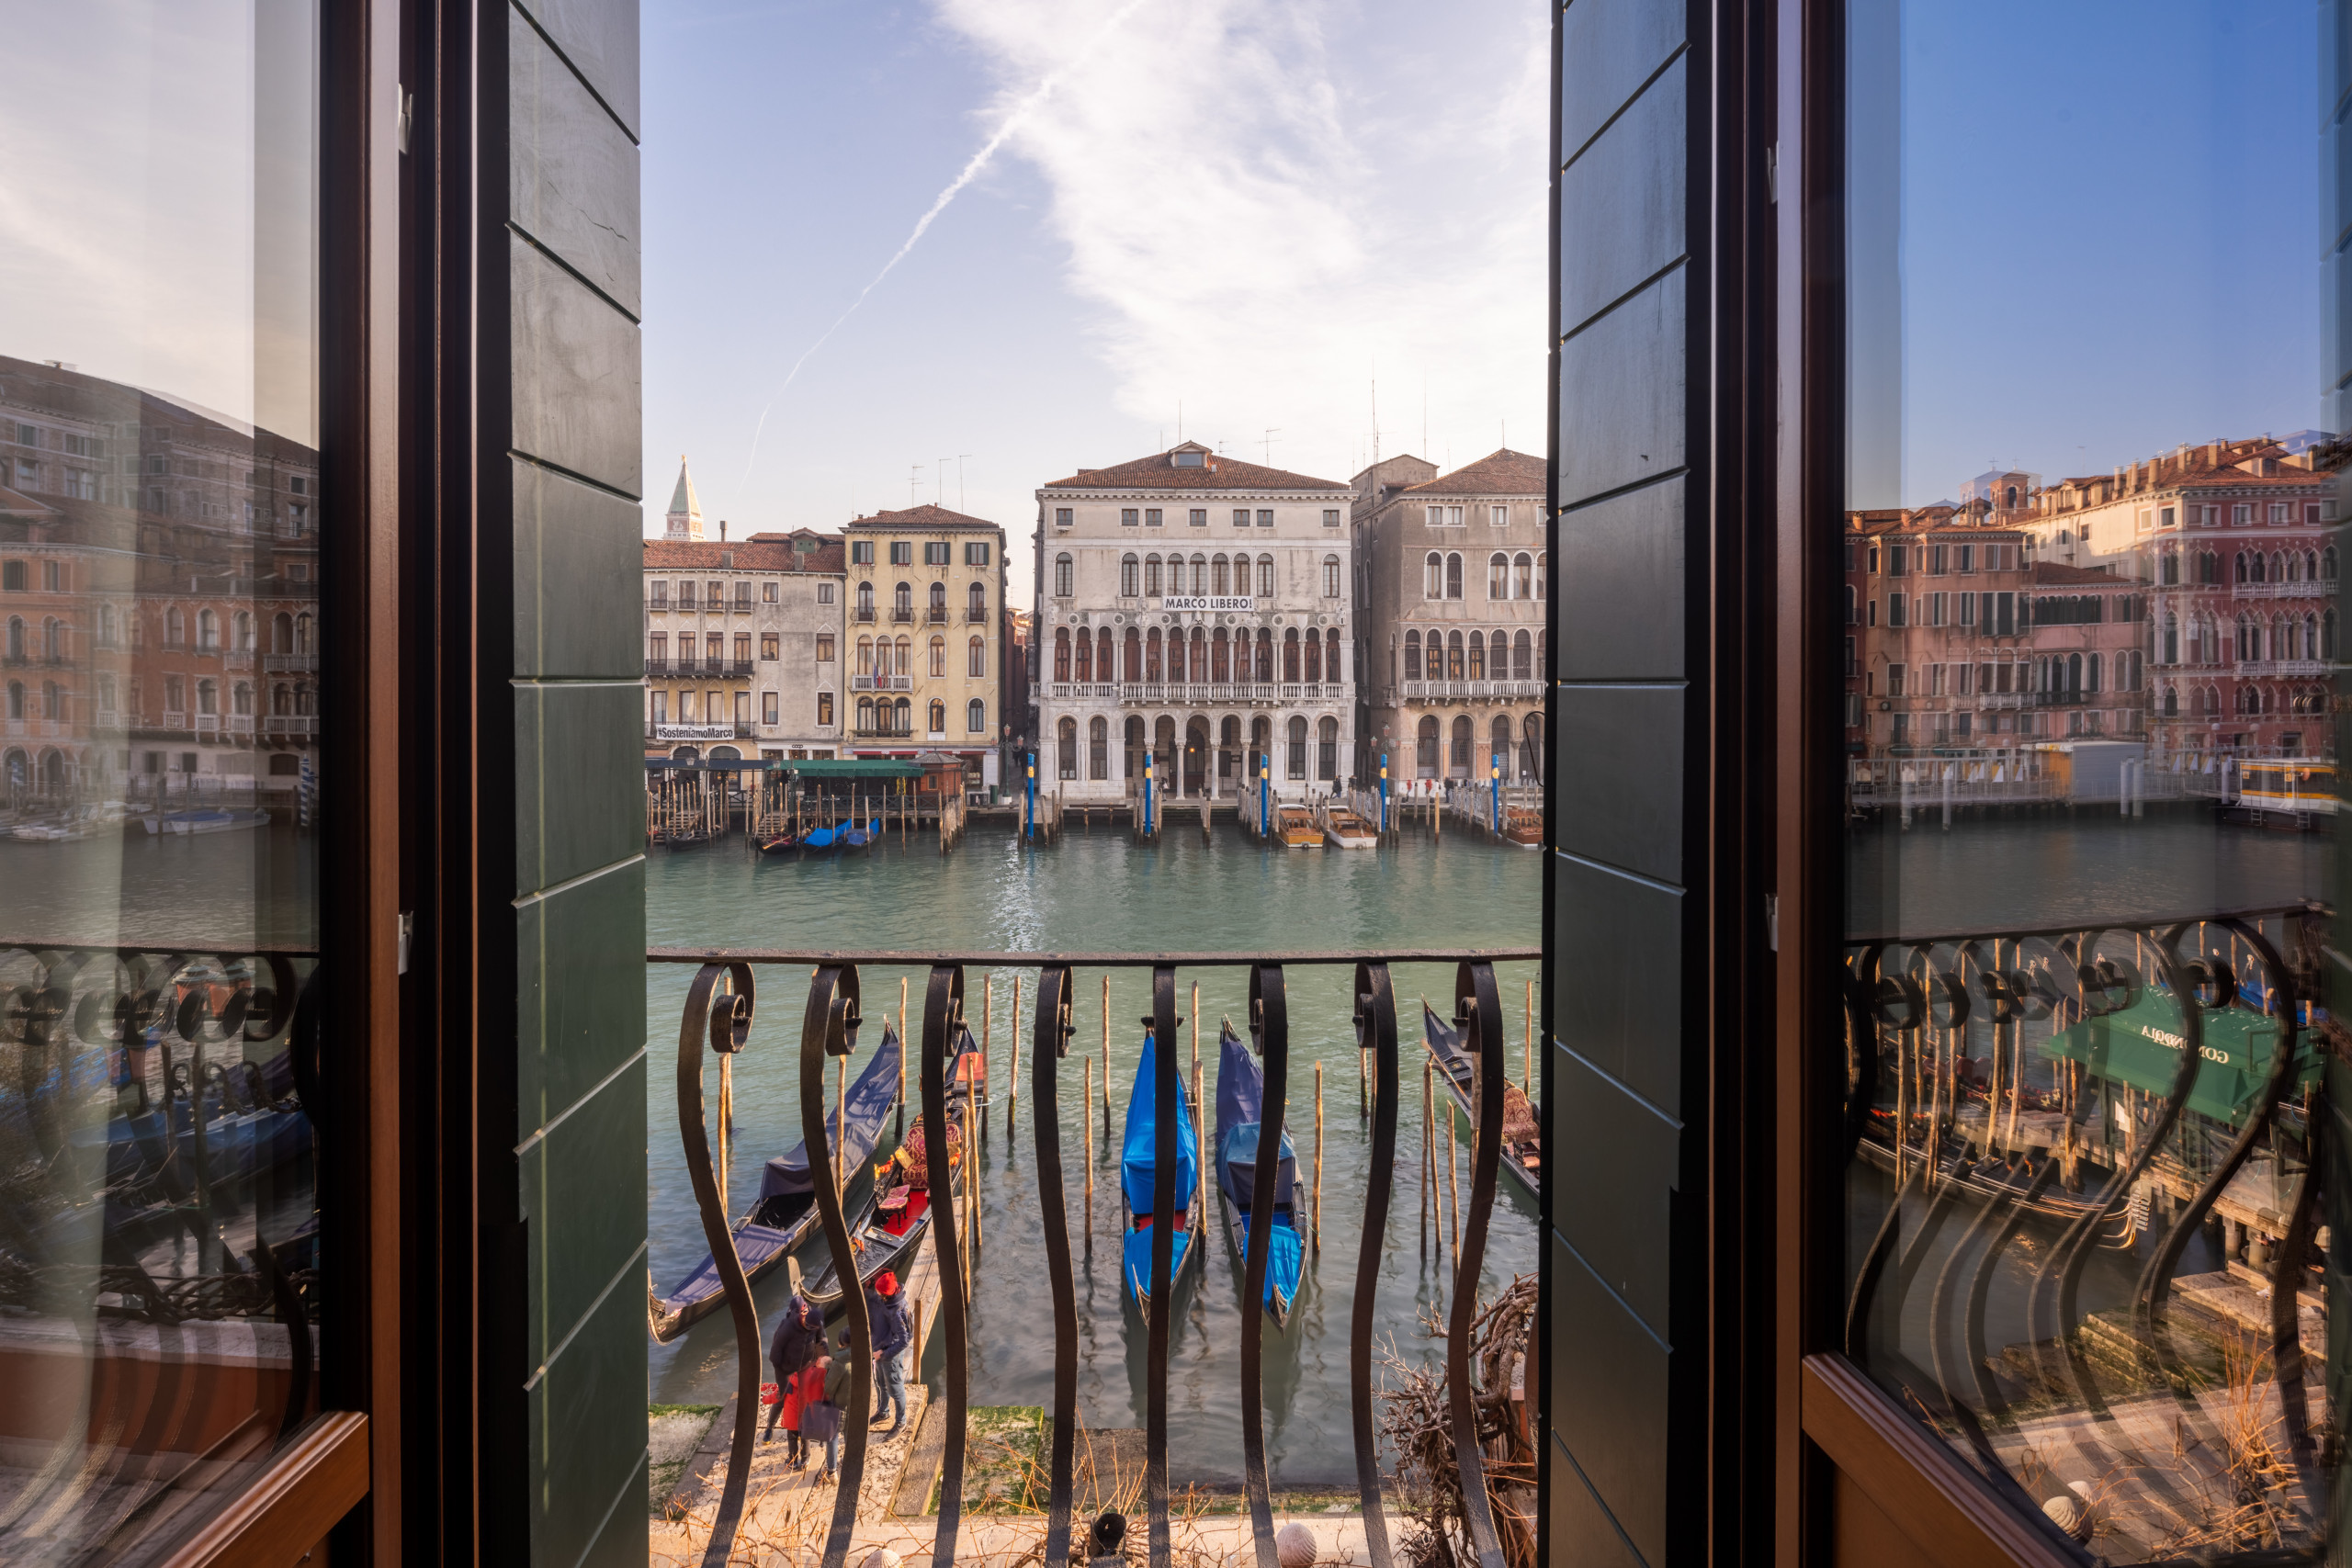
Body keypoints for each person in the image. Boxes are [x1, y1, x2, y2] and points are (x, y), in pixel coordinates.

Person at [764, 1291, 826, 1462]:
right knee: (781, 1398)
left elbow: (822, 1343)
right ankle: (769, 1427)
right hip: (788, 1369)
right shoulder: (786, 1326)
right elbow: (776, 1352)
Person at [866, 1269, 911, 1436]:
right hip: (879, 1350)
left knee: (895, 1388)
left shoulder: (898, 1311)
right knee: (879, 1383)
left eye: (879, 1291)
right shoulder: (884, 1300)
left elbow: (904, 1341)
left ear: (886, 1293)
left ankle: (901, 1422)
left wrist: (883, 1354)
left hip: (889, 1355)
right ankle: (883, 1411)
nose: (876, 1293)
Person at [794, 1353, 844, 1483]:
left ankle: (832, 1472)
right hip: (843, 1408)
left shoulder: (816, 1376)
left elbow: (808, 1395)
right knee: (844, 1434)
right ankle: (847, 1461)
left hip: (827, 1412)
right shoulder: (839, 1373)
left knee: (832, 1438)